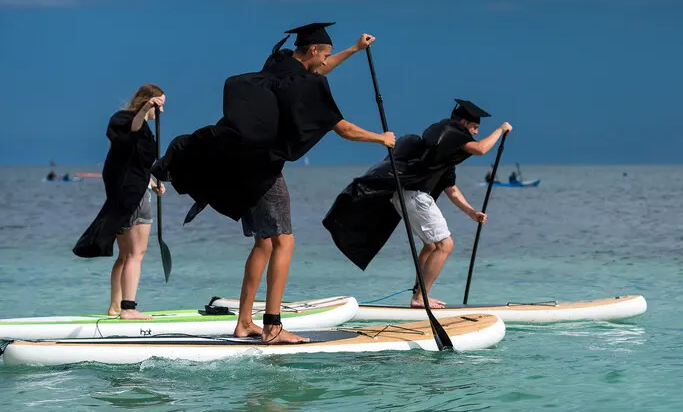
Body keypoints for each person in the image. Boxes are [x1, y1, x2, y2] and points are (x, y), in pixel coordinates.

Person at [152, 22, 394, 344]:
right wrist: (381, 139)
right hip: (261, 168)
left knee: (264, 242)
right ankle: (272, 326)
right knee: (284, 241)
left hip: (241, 161)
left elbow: (315, 72)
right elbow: (343, 129)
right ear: (311, 52)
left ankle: (243, 323)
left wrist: (353, 50)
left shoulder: (278, 64)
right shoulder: (304, 83)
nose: (326, 62)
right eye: (325, 55)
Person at [323, 99, 512, 309]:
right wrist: (500, 130)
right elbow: (480, 149)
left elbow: (451, 189)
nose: (476, 132)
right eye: (475, 127)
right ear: (464, 123)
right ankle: (420, 298)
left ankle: (418, 294)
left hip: (406, 196)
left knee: (431, 245)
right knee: (445, 245)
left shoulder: (445, 149)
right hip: (415, 196)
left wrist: (471, 212)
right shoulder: (450, 130)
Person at [73, 84, 167, 320]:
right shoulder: (125, 120)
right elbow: (131, 132)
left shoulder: (142, 128)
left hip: (132, 192)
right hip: (132, 198)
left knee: (125, 256)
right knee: (137, 254)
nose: (161, 110)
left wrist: (153, 182)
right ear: (147, 100)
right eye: (160, 103)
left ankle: (115, 306)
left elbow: (134, 164)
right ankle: (129, 308)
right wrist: (146, 107)